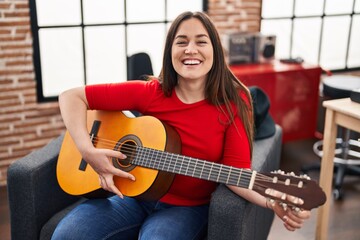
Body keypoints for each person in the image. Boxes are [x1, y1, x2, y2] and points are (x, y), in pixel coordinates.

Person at [53, 11, 310, 240]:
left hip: (186, 209)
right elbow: (71, 96)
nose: (191, 49)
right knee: (67, 234)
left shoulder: (233, 102)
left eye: (201, 41)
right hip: (130, 196)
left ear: (215, 51)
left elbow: (237, 175)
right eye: (181, 42)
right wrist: (88, 150)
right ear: (170, 52)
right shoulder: (150, 92)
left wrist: (271, 199)